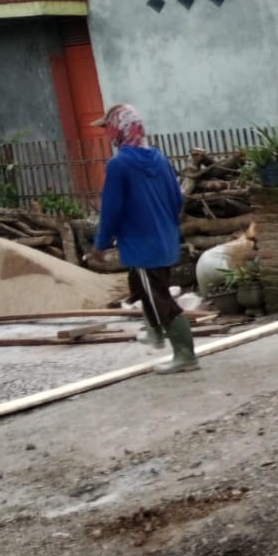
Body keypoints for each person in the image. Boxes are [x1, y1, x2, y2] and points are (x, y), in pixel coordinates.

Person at [87, 103, 197, 374]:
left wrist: (100, 244)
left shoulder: (118, 165)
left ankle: (185, 355)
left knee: (160, 299)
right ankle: (155, 333)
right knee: (139, 285)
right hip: (164, 240)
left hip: (143, 246)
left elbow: (111, 209)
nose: (108, 134)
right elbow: (176, 200)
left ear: (118, 130)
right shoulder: (159, 158)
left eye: (108, 129)